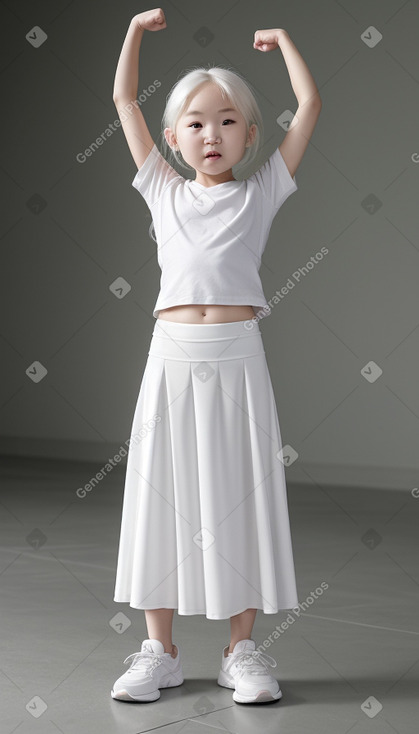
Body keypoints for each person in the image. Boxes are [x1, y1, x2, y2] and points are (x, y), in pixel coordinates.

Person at [110, 7, 322, 705]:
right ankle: (158, 650)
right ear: (171, 138)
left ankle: (240, 650)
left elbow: (310, 104)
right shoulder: (161, 190)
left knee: (240, 498)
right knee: (160, 496)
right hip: (169, 359)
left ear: (250, 136)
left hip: (237, 360)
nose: (211, 133)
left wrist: (285, 42)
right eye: (196, 122)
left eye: (227, 120)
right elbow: (120, 100)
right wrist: (135, 34)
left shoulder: (261, 193)